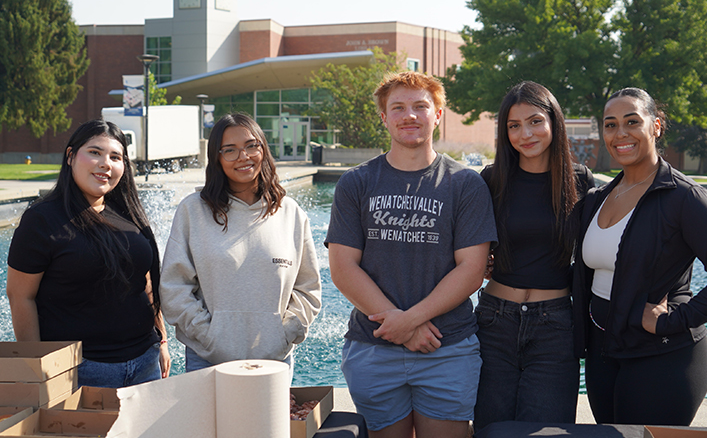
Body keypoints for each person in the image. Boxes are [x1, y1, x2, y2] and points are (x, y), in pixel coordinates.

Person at [326, 71, 497, 438]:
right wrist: (401, 327)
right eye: (398, 108)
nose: (410, 116)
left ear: (438, 114)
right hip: (374, 347)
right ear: (384, 117)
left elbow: (471, 268)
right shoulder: (356, 183)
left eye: (421, 106)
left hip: (446, 346)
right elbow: (342, 267)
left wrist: (412, 321)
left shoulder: (465, 184)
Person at [573, 87, 707, 425]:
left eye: (631, 122)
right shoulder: (597, 198)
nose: (620, 133)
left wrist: (674, 321)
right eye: (610, 125)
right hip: (603, 352)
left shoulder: (685, 198)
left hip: (663, 355)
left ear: (655, 126)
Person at [6, 119, 170, 388]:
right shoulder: (42, 219)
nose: (105, 163)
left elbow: (145, 282)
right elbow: (21, 296)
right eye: (95, 152)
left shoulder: (128, 213)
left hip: (145, 362)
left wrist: (162, 340)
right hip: (81, 369)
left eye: (115, 157)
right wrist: (37, 370)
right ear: (70, 156)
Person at [160, 112, 321, 374]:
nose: (243, 157)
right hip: (207, 359)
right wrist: (209, 336)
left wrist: (284, 333)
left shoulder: (290, 213)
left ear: (263, 149)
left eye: (251, 146)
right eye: (230, 150)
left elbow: (308, 288)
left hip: (275, 361)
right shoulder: (193, 211)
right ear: (216, 158)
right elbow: (174, 287)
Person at [473, 81, 594, 432]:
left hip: (555, 328)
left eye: (535, 121)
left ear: (554, 122)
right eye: (514, 125)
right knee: (489, 430)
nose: (525, 133)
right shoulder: (491, 180)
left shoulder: (579, 181)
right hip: (494, 324)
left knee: (545, 432)